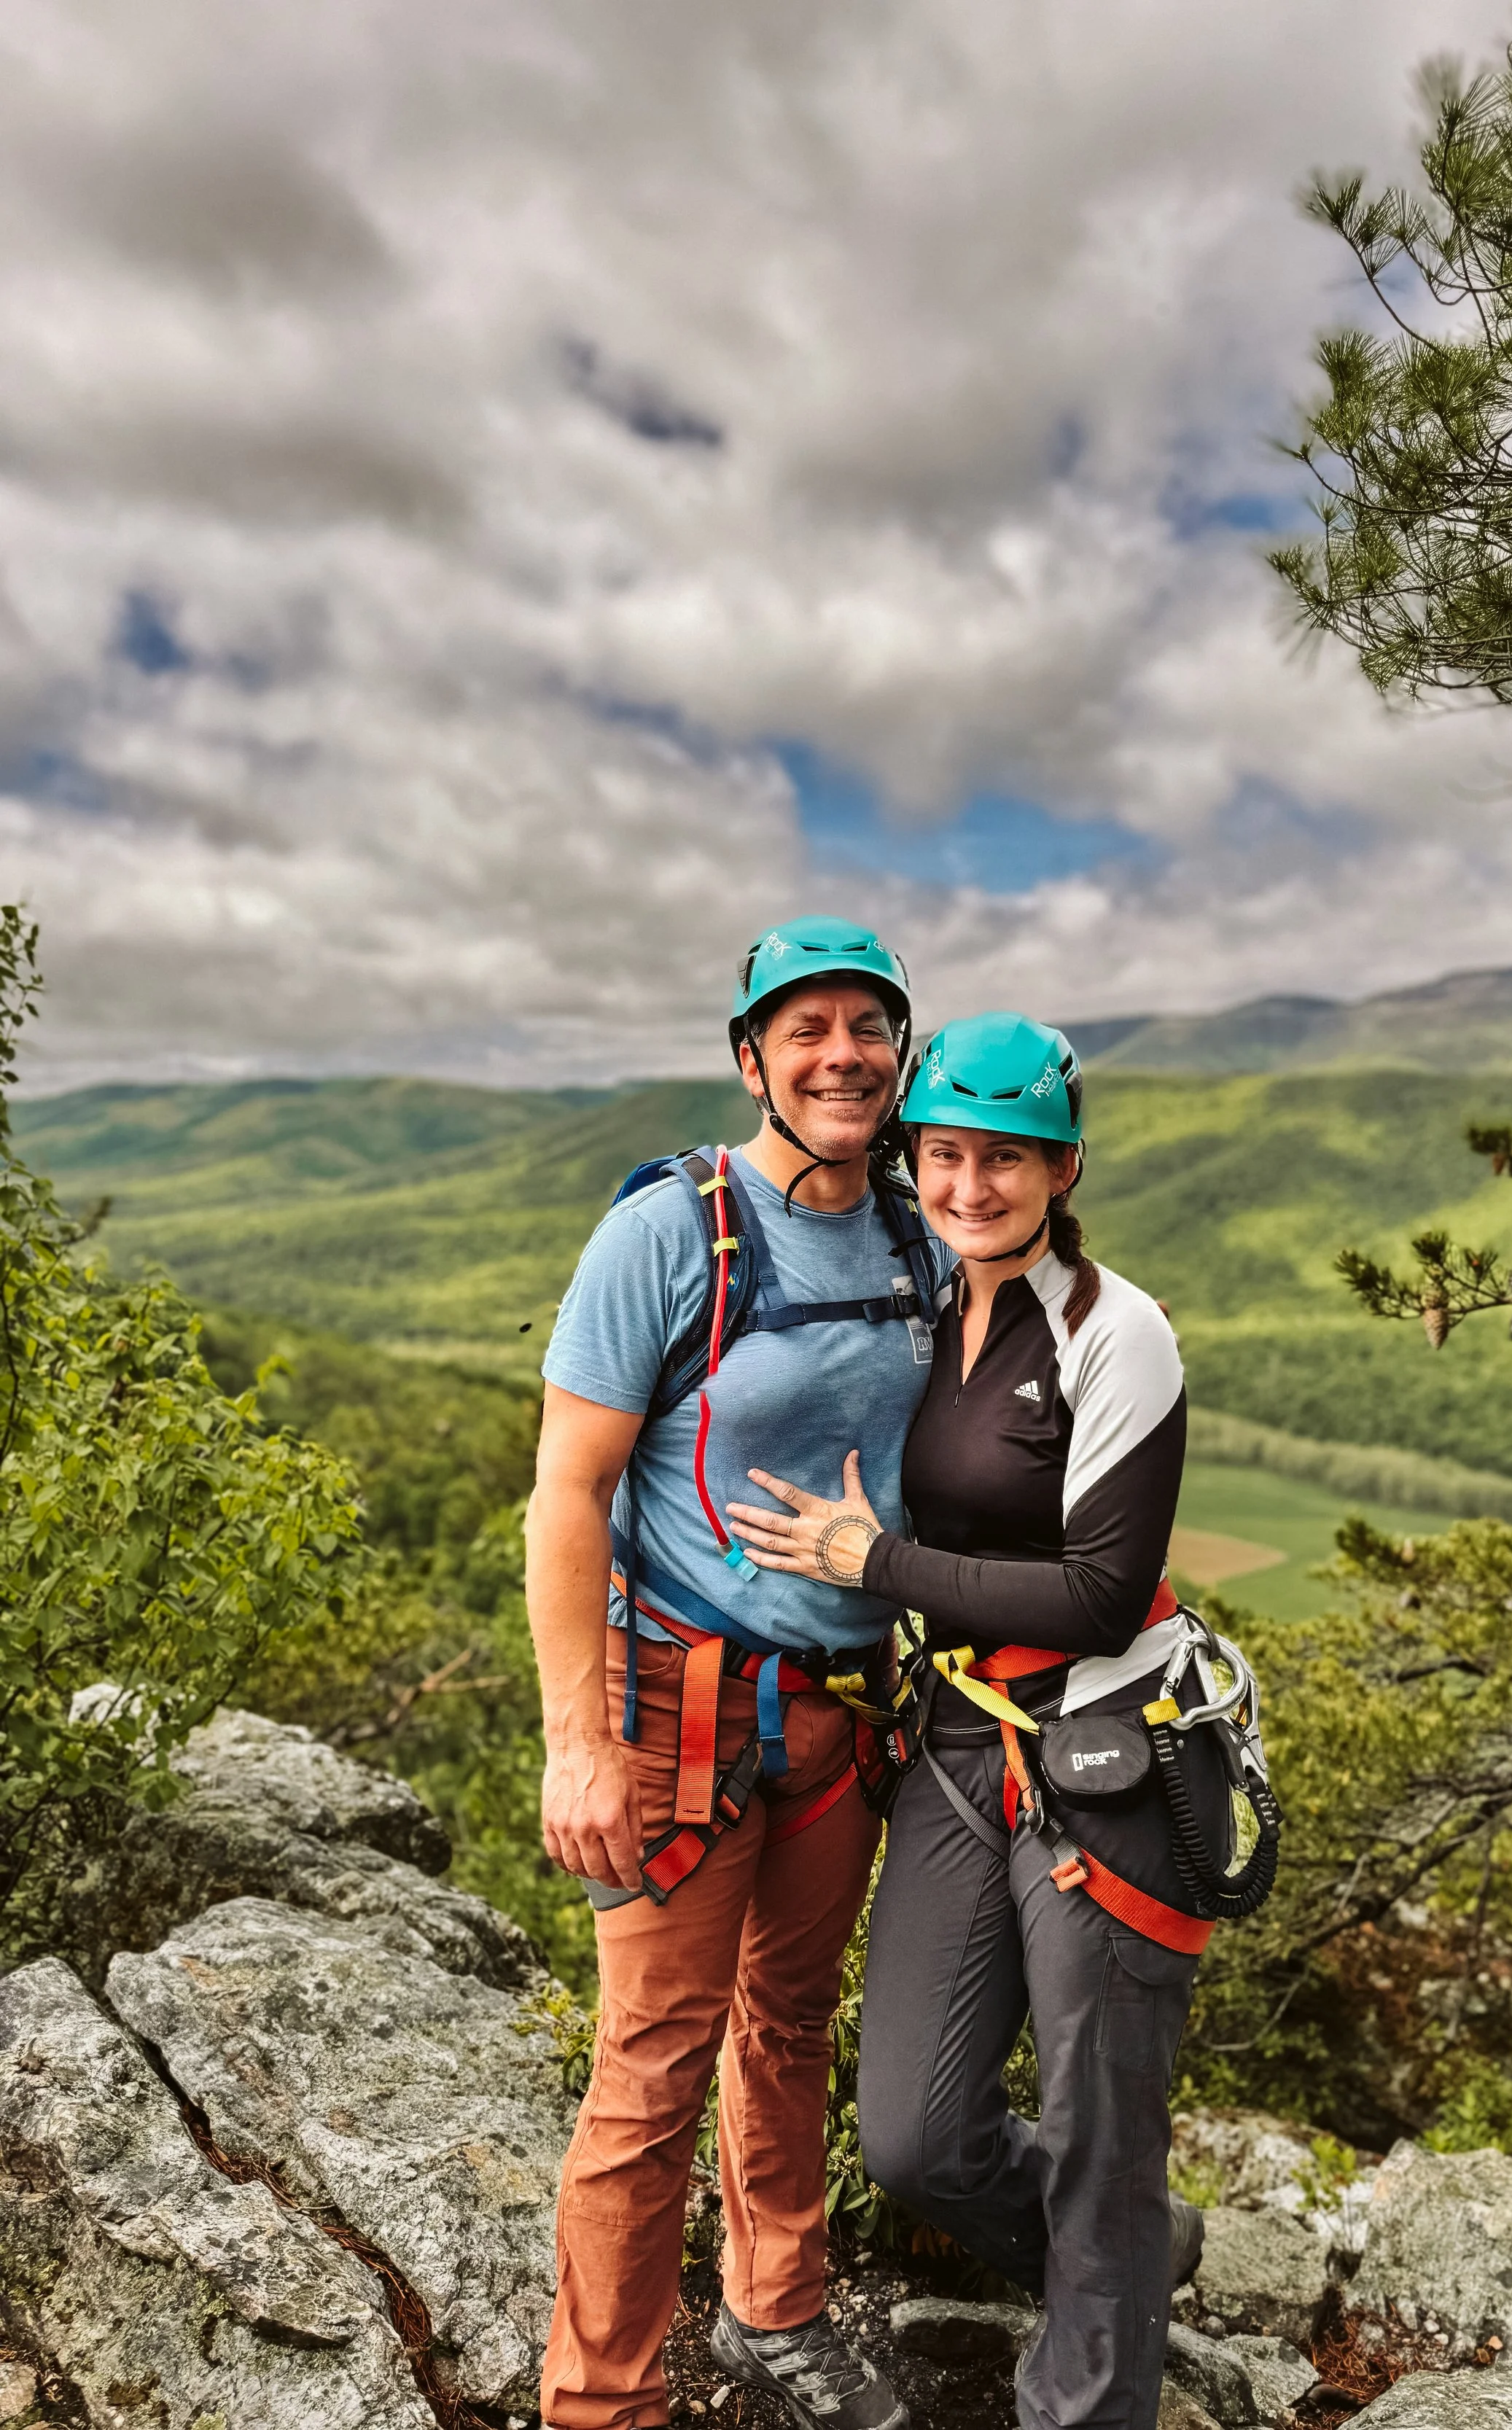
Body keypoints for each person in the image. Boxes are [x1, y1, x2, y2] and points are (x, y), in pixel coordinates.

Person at [725, 1010, 1220, 2430]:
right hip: (955, 1740)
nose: (968, 1184)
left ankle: (1092, 2368)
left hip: (1103, 1744)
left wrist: (869, 1564)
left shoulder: (1114, 1333)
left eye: (1005, 1157)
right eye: (943, 1153)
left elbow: (1101, 1589)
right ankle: (1130, 2252)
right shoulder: (916, 1307)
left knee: (1098, 2126)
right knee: (915, 2135)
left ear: (1059, 1168)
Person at [529, 916, 948, 2430]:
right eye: (807, 1026)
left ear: (898, 1057)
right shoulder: (673, 1229)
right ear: (752, 1056)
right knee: (649, 2065)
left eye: (868, 1027)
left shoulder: (914, 1234)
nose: (841, 1053)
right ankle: (601, 2402)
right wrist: (577, 1741)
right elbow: (566, 1492)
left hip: (838, 1707)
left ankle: (774, 2305)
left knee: (789, 2022)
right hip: (675, 1710)